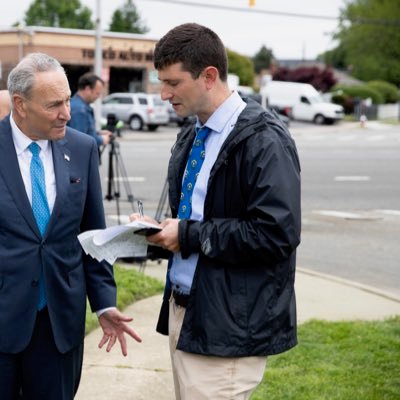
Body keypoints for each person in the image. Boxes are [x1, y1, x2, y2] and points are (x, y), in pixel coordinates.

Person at [130, 23, 301, 400]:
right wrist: (156, 234)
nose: (163, 94)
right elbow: (198, 220)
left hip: (229, 327)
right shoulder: (193, 132)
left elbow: (276, 234)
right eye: (161, 82)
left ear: (209, 76)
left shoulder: (263, 139)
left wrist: (187, 234)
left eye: (173, 83)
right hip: (186, 315)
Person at [0, 53, 141, 400]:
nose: (66, 112)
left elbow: (93, 236)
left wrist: (105, 302)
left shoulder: (82, 148)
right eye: (54, 105)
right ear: (20, 104)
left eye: (66, 100)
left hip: (59, 323)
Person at [68, 72, 112, 149]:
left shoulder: (79, 105)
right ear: (87, 89)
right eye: (97, 93)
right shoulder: (79, 110)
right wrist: (101, 139)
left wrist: (97, 133)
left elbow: (84, 132)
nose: (98, 97)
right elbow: (79, 140)